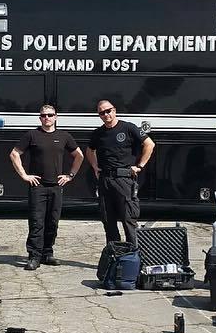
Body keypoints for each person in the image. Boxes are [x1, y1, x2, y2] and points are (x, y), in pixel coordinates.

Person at [10, 104, 84, 270]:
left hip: (56, 187)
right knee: (37, 222)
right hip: (38, 187)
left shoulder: (64, 136)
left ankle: (47, 254)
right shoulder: (32, 135)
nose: (47, 118)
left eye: (50, 115)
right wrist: (24, 175)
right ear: (40, 118)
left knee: (53, 221)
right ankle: (34, 256)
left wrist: (70, 175)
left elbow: (79, 155)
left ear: (56, 117)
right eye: (43, 116)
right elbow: (14, 154)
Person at [86, 99, 155, 245]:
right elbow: (89, 150)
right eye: (102, 113)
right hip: (105, 180)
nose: (106, 115)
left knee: (128, 219)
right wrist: (94, 166)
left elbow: (149, 144)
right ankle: (115, 257)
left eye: (108, 111)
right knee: (108, 220)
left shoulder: (129, 128)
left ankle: (134, 257)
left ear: (114, 110)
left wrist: (140, 166)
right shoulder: (98, 133)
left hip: (124, 179)